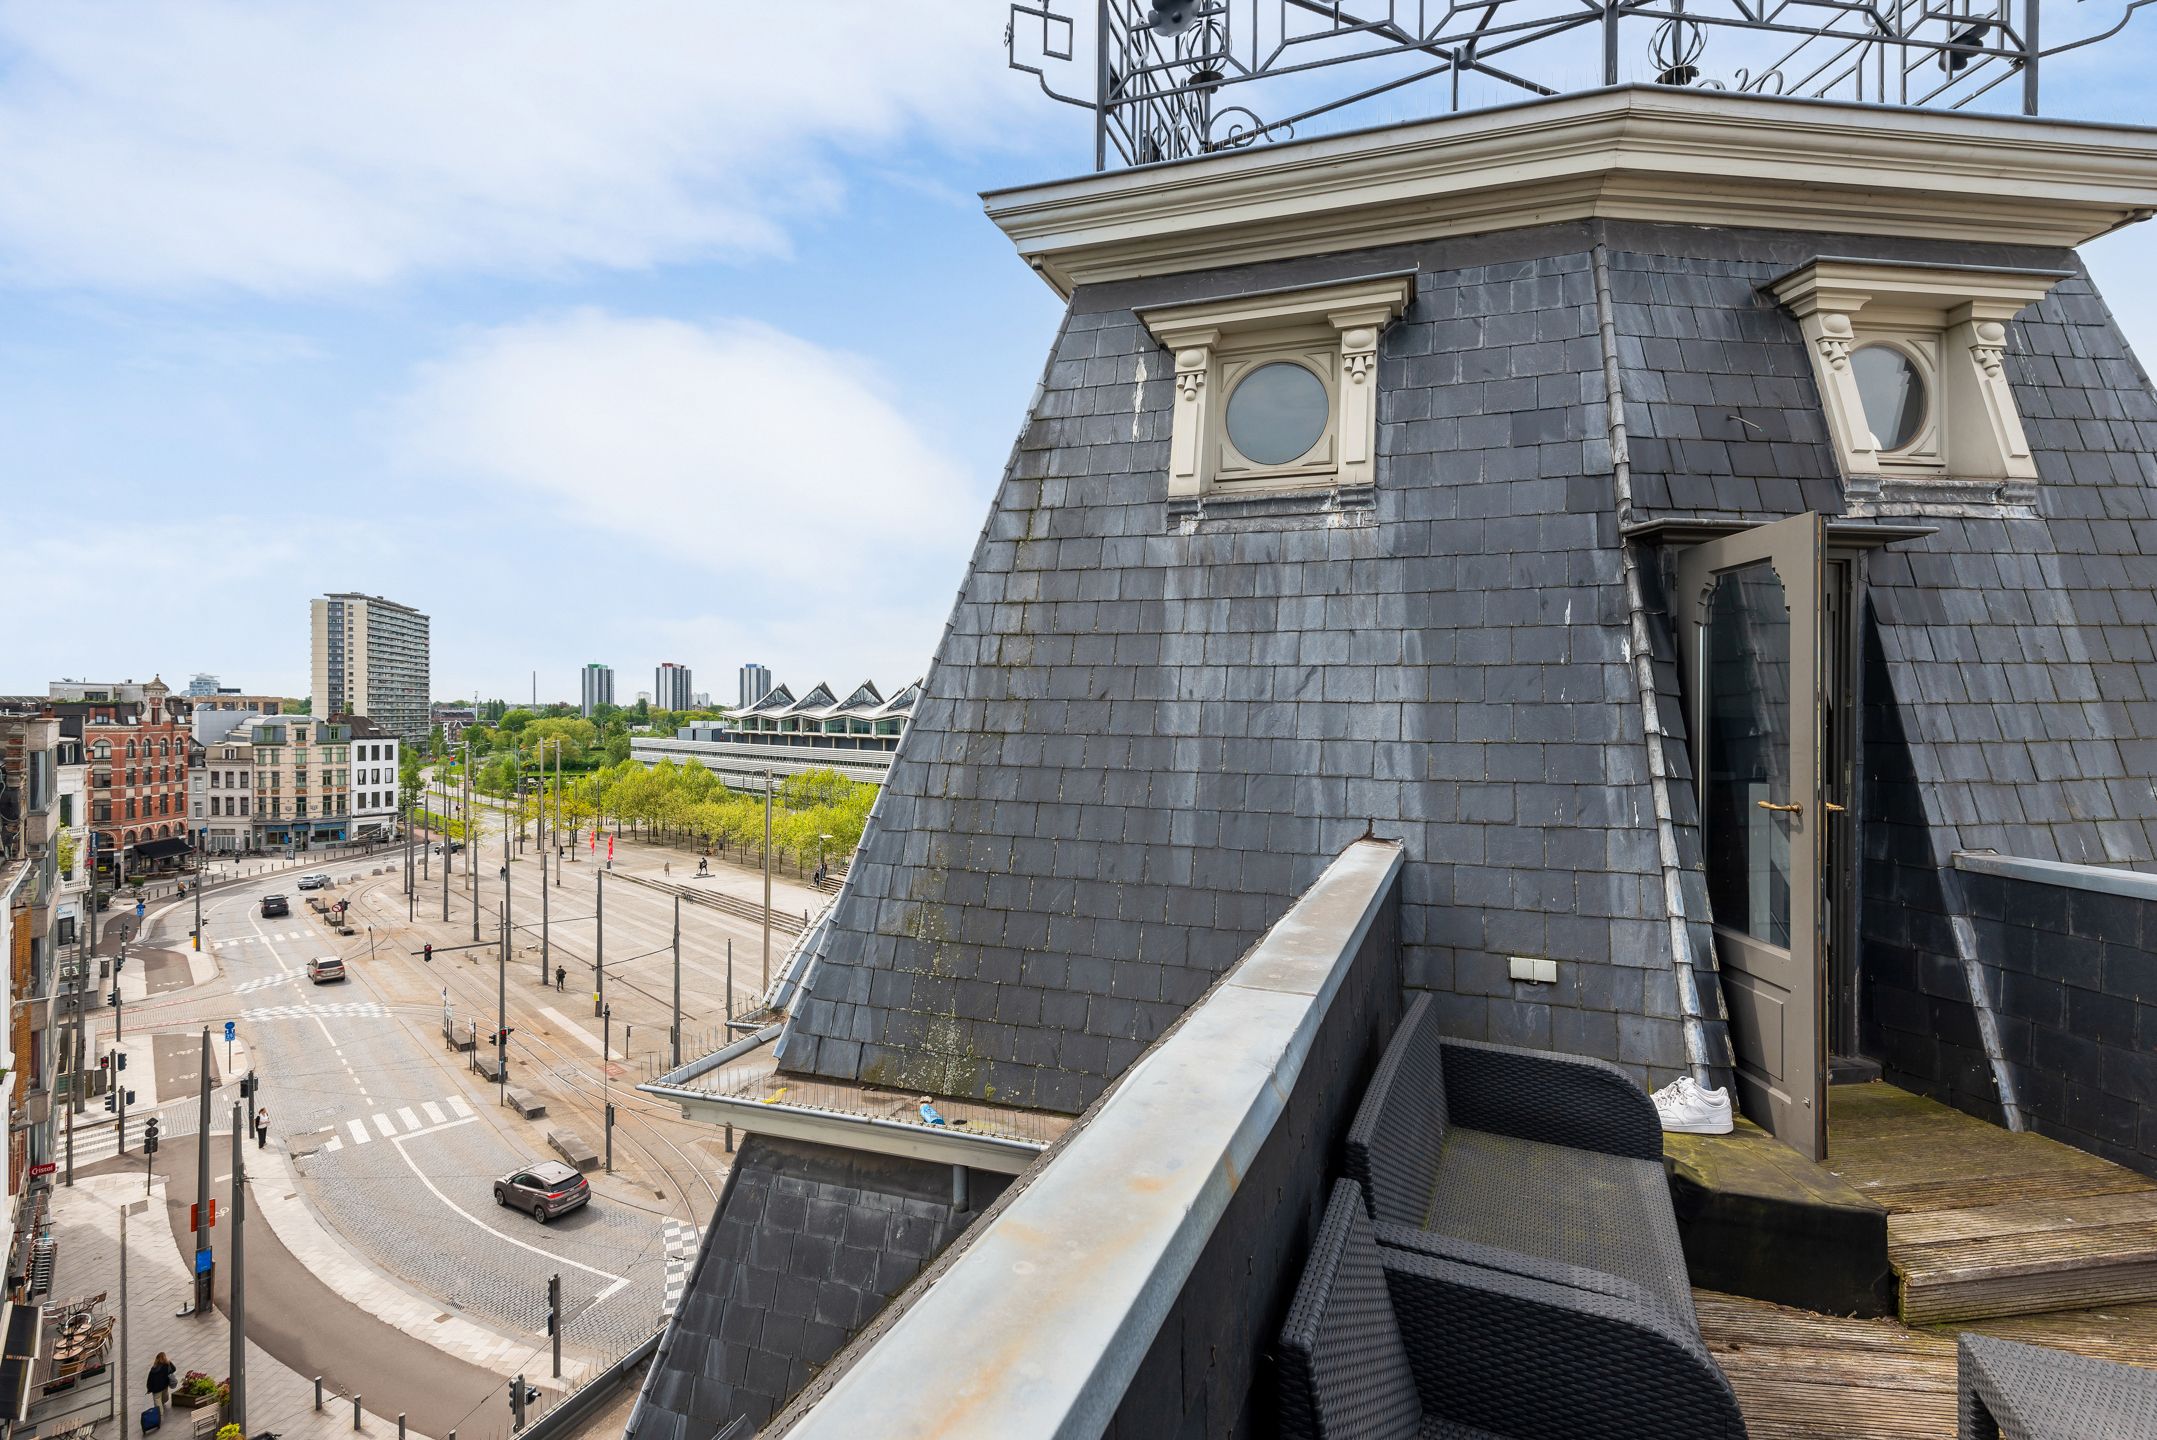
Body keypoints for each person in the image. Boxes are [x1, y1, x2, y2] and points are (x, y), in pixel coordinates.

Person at [146, 1352, 175, 1418]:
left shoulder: (153, 1368)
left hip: (156, 1388)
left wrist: (149, 1388)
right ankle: (160, 1412)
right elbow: (173, 1369)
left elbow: (149, 1379)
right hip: (164, 1386)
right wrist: (170, 1362)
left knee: (157, 1400)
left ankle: (159, 1413)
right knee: (164, 1397)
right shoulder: (166, 1366)